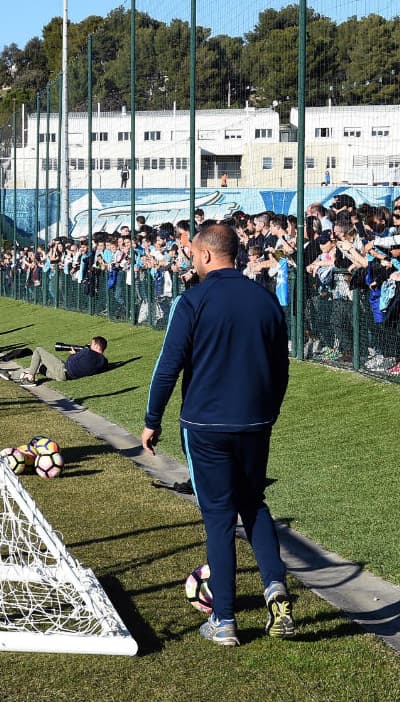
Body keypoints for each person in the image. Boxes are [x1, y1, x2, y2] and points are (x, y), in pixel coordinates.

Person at [142, 223, 294, 647]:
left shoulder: (191, 301)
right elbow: (281, 367)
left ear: (207, 255)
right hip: (255, 423)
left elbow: (167, 366)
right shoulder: (265, 300)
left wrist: (152, 419)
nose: (190, 259)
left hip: (205, 426)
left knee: (219, 518)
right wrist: (270, 411)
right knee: (254, 504)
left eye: (192, 253)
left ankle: (224, 620)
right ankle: (276, 588)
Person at [0, 336, 108, 386]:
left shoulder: (88, 352)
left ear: (96, 345)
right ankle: (11, 374)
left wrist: (74, 354)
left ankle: (30, 378)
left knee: (38, 351)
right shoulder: (103, 362)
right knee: (39, 366)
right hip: (65, 377)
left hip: (63, 371)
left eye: (91, 343)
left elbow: (70, 362)